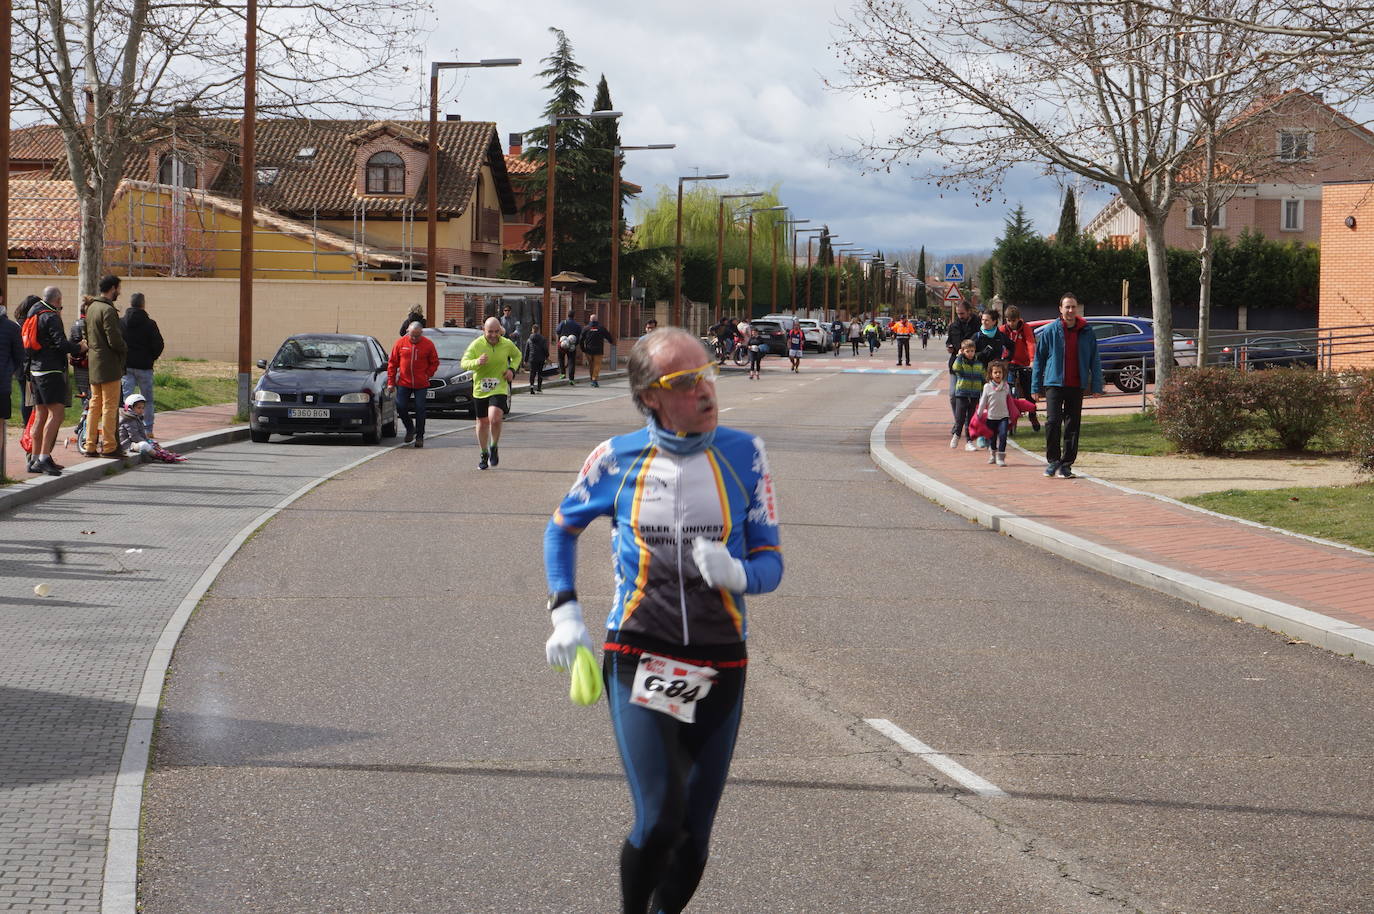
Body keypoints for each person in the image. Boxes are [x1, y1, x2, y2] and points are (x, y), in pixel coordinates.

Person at [542, 327, 783, 914]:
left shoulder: (745, 453)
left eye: (709, 373)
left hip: (721, 660)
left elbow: (771, 562)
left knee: (694, 835)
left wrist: (739, 575)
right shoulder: (614, 458)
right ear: (650, 395)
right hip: (640, 653)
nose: (704, 390)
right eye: (684, 381)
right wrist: (565, 609)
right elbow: (561, 529)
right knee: (659, 818)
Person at [1032, 293, 1104, 479]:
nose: (1071, 310)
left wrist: (1097, 385)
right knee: (1052, 422)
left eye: (1073, 307)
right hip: (1054, 383)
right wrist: (1035, 387)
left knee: (1072, 425)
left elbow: (1094, 359)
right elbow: (1039, 360)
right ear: (1060, 309)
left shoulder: (1087, 332)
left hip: (1076, 384)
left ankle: (1066, 464)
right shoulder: (1049, 331)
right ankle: (1053, 461)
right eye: (1067, 307)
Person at [26, 287, 85, 475]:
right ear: (58, 300)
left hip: (35, 370)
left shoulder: (33, 312)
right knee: (57, 414)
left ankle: (34, 459)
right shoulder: (51, 316)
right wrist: (79, 347)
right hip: (50, 370)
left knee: (40, 414)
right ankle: (44, 457)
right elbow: (60, 344)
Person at [461, 316, 522, 469]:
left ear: (500, 330)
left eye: (496, 332)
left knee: (494, 418)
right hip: (480, 389)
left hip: (499, 387)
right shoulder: (476, 345)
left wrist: (511, 369)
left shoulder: (506, 344)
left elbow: (517, 356)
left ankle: (493, 446)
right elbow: (463, 363)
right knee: (482, 422)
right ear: (484, 331)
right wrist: (477, 362)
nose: (494, 335)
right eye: (490, 332)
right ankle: (483, 453)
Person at [83, 275, 127, 458]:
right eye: (118, 288)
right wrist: (124, 349)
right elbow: (114, 340)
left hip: (94, 364)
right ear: (112, 288)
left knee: (94, 405)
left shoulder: (91, 307)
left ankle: (90, 445)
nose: (119, 292)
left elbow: (85, 333)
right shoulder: (108, 310)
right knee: (109, 406)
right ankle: (109, 446)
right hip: (108, 365)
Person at [387, 321, 440, 447]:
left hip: (421, 384)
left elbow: (434, 362)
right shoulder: (400, 343)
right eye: (412, 336)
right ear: (407, 332)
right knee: (400, 406)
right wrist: (391, 382)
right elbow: (392, 364)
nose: (414, 339)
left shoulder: (428, 344)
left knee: (420, 408)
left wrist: (428, 374)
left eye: (417, 336)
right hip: (404, 382)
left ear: (421, 333)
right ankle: (410, 428)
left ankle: (419, 436)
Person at [121, 291, 165, 438]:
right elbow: (159, 344)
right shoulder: (150, 324)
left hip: (126, 366)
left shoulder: (121, 323)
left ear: (130, 303)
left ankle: (125, 428)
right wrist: (151, 357)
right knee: (147, 399)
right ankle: (148, 430)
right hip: (145, 366)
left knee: (127, 399)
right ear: (143, 304)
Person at [1000, 305, 1040, 432]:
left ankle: (1033, 415)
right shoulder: (1002, 330)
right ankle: (1006, 416)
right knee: (1005, 389)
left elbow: (1030, 343)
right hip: (1008, 363)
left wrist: (1032, 360)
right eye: (1009, 321)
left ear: (1018, 319)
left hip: (1024, 363)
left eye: (1014, 320)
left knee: (1029, 392)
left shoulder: (1025, 328)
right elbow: (997, 344)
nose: (1011, 323)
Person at [117, 393, 186, 462]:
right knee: (145, 445)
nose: (141, 410)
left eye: (143, 408)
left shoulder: (136, 417)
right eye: (139, 408)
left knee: (153, 443)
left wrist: (149, 441)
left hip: (133, 442)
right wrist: (146, 442)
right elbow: (134, 436)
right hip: (126, 445)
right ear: (130, 408)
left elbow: (142, 434)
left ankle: (166, 453)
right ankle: (162, 457)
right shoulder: (129, 419)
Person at [944, 302, 980, 425]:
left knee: (975, 397)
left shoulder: (978, 324)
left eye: (962, 313)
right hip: (956, 365)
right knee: (953, 395)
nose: (960, 316)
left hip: (973, 365)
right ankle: (959, 421)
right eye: (958, 313)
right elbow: (949, 341)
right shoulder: (953, 326)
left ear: (969, 311)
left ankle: (973, 421)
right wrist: (949, 346)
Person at [977, 360, 1015, 467]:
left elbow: (1010, 402)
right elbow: (983, 402)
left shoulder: (1006, 387)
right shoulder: (987, 387)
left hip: (1004, 417)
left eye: (1000, 372)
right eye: (995, 372)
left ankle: (1001, 457)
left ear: (1003, 374)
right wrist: (978, 416)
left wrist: (1012, 416)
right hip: (991, 417)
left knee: (1003, 436)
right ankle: (992, 454)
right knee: (992, 438)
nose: (998, 374)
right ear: (991, 374)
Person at [949, 338, 985, 450]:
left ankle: (969, 442)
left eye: (972, 351)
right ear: (963, 351)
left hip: (974, 395)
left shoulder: (979, 364)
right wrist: (959, 356)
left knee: (970, 419)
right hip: (962, 394)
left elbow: (983, 377)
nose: (970, 353)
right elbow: (955, 368)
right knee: (960, 418)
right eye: (967, 351)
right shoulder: (961, 362)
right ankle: (956, 435)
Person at [580, 314, 616, 387]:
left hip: (588, 350)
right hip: (598, 350)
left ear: (590, 320)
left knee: (591, 365)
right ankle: (594, 379)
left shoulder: (586, 328)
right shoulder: (601, 328)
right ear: (596, 320)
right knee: (597, 365)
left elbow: (581, 339)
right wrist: (611, 342)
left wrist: (583, 349)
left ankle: (592, 378)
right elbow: (608, 336)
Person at [555, 312, 583, 385]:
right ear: (574, 316)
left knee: (561, 358)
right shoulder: (577, 325)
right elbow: (580, 334)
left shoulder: (563, 322)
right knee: (571, 361)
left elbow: (557, 331)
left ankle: (563, 374)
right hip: (572, 345)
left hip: (562, 344)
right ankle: (571, 379)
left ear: (567, 315)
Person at [523, 323, 550, 393]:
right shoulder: (543, 339)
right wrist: (547, 357)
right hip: (541, 359)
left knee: (532, 373)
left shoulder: (529, 340)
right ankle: (539, 388)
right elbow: (545, 349)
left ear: (532, 330)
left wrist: (525, 360)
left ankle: (531, 387)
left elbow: (527, 350)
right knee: (540, 373)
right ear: (538, 331)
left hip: (532, 358)